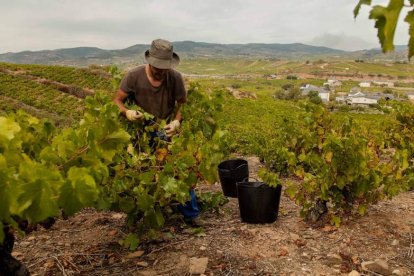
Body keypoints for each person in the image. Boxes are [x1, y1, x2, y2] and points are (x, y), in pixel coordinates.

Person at [113, 38, 200, 224]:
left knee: (177, 169)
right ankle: (144, 214)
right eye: (157, 67)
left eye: (164, 68)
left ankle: (191, 215)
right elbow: (117, 100)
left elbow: (183, 106)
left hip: (165, 131)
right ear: (149, 61)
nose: (160, 71)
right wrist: (126, 112)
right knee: (141, 172)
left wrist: (177, 122)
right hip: (139, 132)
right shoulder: (134, 76)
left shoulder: (175, 78)